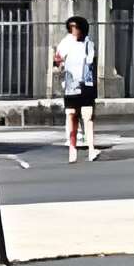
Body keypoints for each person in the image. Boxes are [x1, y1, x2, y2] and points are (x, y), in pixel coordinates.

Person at [51, 15, 99, 161]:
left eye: (76, 28)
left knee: (87, 116)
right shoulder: (66, 42)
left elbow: (91, 61)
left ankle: (91, 149)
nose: (74, 31)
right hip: (71, 85)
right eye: (71, 28)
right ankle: (73, 148)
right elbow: (57, 59)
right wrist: (60, 64)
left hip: (86, 84)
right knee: (72, 114)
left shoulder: (88, 43)